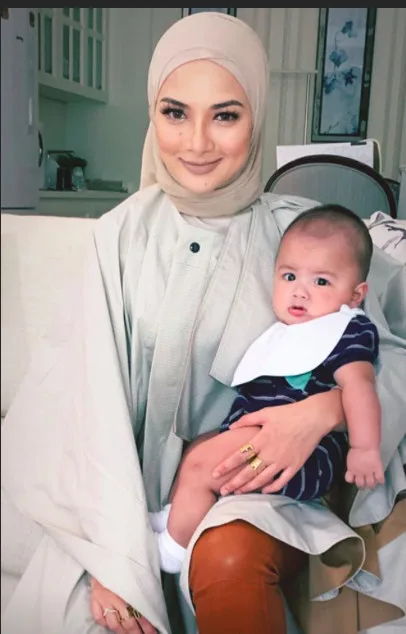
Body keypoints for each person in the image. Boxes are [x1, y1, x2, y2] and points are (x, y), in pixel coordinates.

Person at [1, 11, 405, 634]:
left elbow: (388, 355)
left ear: (256, 117)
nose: (196, 144)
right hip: (125, 501)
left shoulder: (301, 237)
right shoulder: (120, 237)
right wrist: (111, 553)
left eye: (225, 115)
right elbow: (81, 404)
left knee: (229, 557)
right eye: (175, 113)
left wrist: (320, 413)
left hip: (264, 495)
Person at [151, 203, 385, 574]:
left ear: (356, 295)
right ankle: (178, 514)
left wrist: (364, 448)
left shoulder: (346, 331)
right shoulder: (285, 332)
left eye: (321, 282)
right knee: (196, 448)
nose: (300, 292)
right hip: (263, 437)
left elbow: (360, 388)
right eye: (289, 276)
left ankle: (172, 553)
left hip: (306, 454)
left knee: (201, 464)